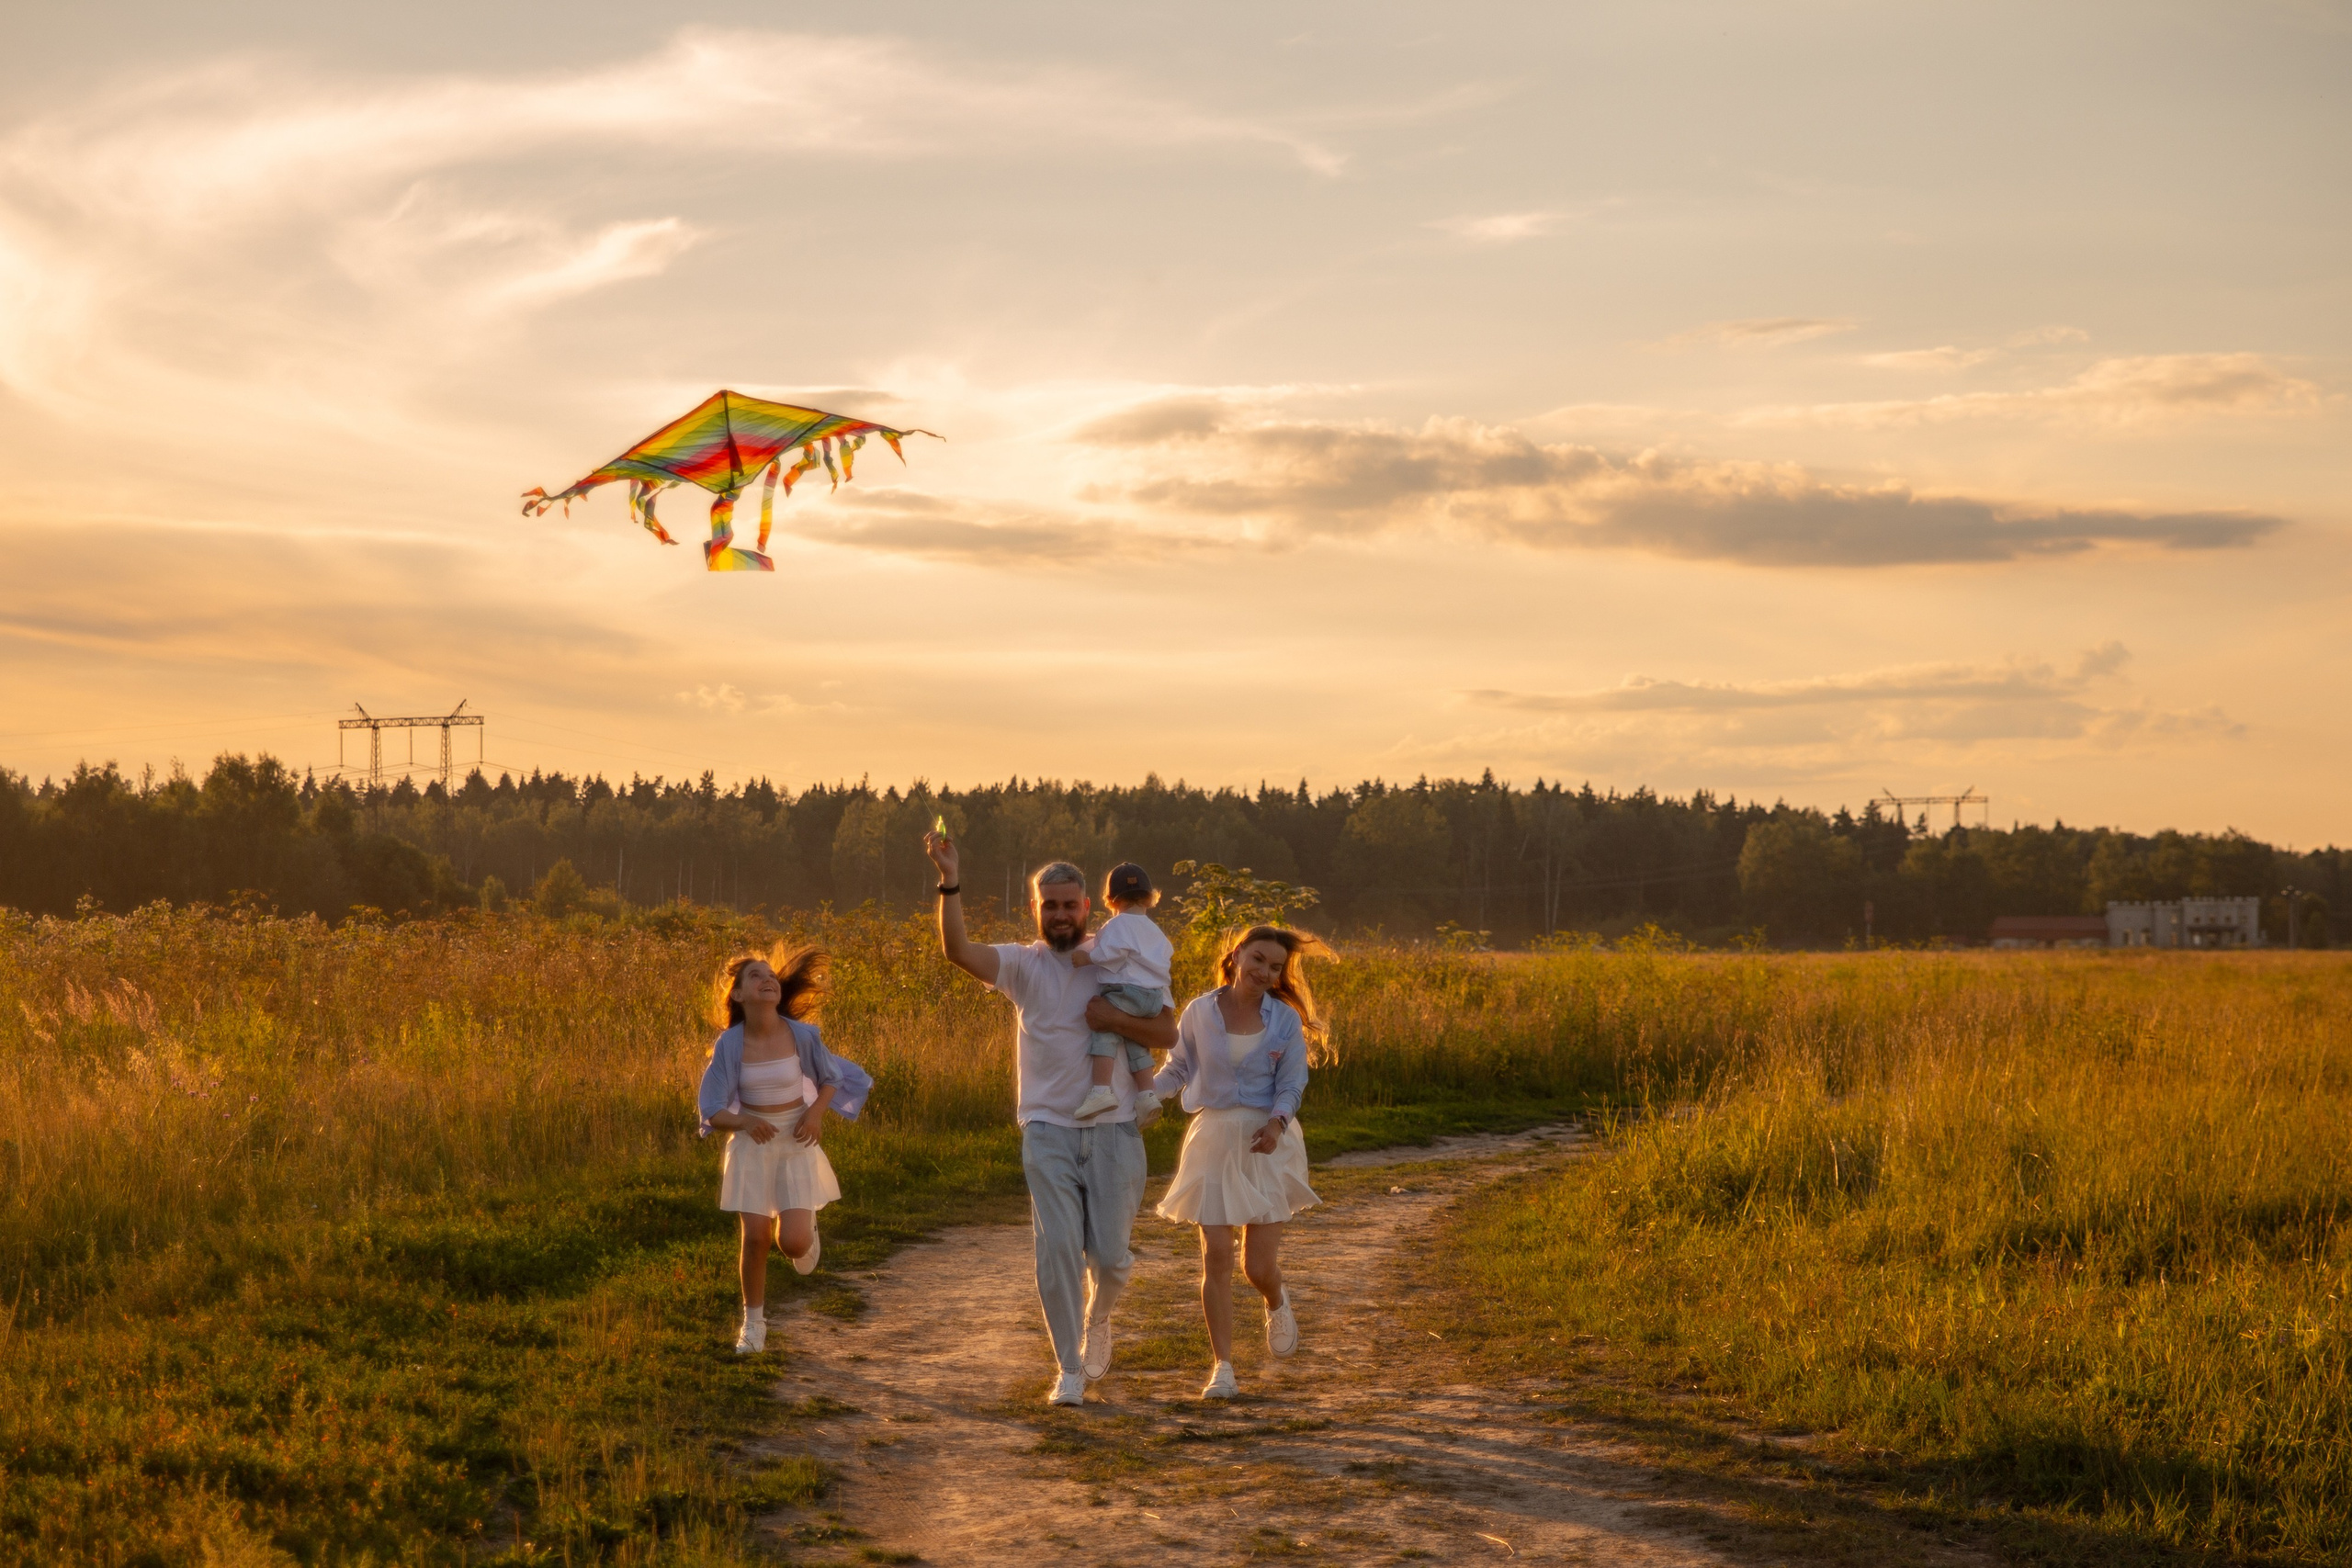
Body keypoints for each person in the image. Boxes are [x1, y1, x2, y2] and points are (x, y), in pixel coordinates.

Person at [922, 829, 1176, 1405]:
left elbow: (1166, 1031)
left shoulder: (1119, 957)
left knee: (1110, 1259)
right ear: (1035, 909)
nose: (1060, 915)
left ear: (1088, 908)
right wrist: (950, 880)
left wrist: (1111, 1017)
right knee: (1057, 1247)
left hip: (1114, 1130)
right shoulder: (1022, 966)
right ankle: (1068, 1369)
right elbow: (958, 951)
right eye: (1049, 905)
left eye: (1069, 905)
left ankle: (1100, 1316)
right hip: (1047, 1130)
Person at [1155, 925, 1325, 1399]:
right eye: (1258, 960)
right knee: (1217, 1254)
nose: (1266, 973)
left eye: (1275, 967)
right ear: (1237, 956)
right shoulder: (1199, 1012)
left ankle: (1276, 1298)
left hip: (1266, 1142)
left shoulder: (1285, 1021)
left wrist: (1275, 1125)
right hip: (1212, 1138)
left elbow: (1292, 1083)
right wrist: (1143, 1096)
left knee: (1257, 1267)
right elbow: (1178, 1069)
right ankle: (1223, 1368)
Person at [697, 946, 874, 1355]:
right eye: (755, 976)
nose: (768, 979)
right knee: (756, 1237)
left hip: (796, 1139)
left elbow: (830, 1077)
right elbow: (711, 1109)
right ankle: (753, 1325)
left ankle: (806, 1231)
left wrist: (814, 1115)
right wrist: (743, 1122)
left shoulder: (802, 1035)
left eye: (770, 975)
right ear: (738, 996)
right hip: (751, 1144)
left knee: (791, 1245)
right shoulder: (729, 1045)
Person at [1069, 863, 1171, 1126]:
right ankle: (1147, 1094)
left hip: (1127, 992)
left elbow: (1112, 953)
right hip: (1152, 999)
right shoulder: (1155, 931)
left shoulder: (1117, 925)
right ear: (1150, 897)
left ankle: (1101, 1090)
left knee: (1105, 1029)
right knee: (1136, 1040)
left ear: (1110, 900)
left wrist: (1087, 958)